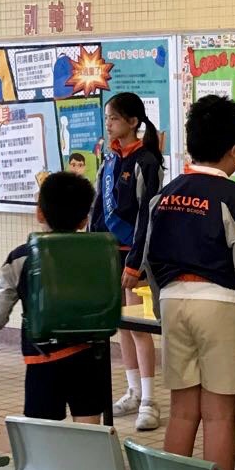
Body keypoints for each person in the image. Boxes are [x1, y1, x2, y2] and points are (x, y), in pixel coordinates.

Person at [133, 95, 235, 470]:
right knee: (218, 416)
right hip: (221, 307)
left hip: (173, 303)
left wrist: (165, 313)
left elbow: (148, 259)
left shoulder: (163, 196)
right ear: (234, 150)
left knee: (183, 413)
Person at [0, 172, 111, 425]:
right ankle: (88, 464)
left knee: (43, 432)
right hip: (90, 354)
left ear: (39, 213)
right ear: (85, 219)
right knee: (89, 430)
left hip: (43, 358)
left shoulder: (23, 256)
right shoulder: (99, 252)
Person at [93, 92, 163, 432]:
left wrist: (135, 264)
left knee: (139, 327)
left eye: (115, 119)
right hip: (108, 254)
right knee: (121, 325)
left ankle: (150, 399)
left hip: (135, 258)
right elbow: (98, 209)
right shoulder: (108, 160)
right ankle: (133, 391)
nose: (109, 124)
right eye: (107, 118)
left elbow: (148, 217)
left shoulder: (146, 160)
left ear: (133, 122)